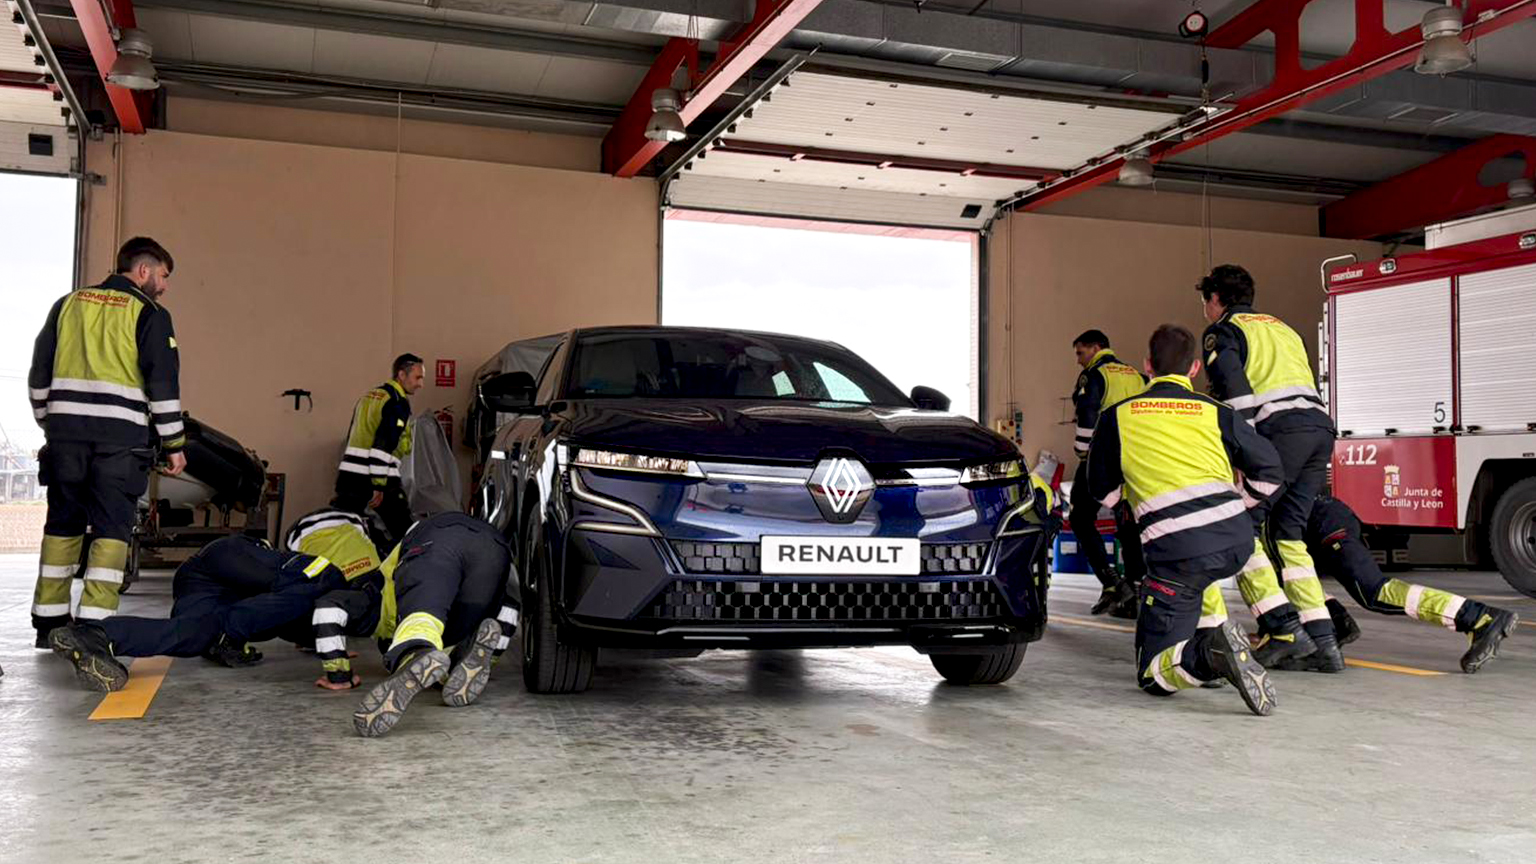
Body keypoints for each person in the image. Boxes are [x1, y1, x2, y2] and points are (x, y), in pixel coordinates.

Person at [1088, 324, 1283, 715]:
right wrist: (1238, 508)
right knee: (1200, 580)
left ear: (1147, 366)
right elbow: (1271, 473)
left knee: (1152, 674)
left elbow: (1103, 493)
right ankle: (1212, 638)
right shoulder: (1217, 412)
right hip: (1236, 542)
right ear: (1194, 368)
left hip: (1176, 555)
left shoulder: (1117, 417)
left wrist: (1137, 492)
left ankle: (1209, 656)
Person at [28, 238, 186, 644]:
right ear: (144, 271)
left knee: (62, 526)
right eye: (164, 276)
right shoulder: (149, 313)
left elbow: (39, 371)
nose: (165, 286)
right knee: (111, 530)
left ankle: (49, 623)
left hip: (66, 439)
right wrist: (174, 444)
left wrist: (50, 422)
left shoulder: (67, 304)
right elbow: (162, 384)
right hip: (119, 443)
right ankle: (94, 627)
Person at [1198, 264, 1355, 672]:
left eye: (1205, 302)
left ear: (1215, 300)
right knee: (1289, 533)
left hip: (1279, 434)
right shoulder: (1282, 327)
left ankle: (1281, 627)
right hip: (1318, 431)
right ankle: (1323, 642)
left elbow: (1237, 396)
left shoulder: (1225, 331)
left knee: (1239, 525)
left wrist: (1241, 455)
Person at [299, 512, 517, 737]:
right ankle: (457, 662)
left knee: (423, 615)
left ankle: (413, 650)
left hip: (438, 538)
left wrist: (338, 675)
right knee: (460, 629)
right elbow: (510, 608)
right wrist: (491, 659)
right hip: (495, 548)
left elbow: (327, 607)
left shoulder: (371, 595)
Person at [47, 535, 347, 691]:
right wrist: (332, 643)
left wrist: (317, 639)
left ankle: (95, 636)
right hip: (234, 557)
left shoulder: (288, 615)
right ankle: (229, 631)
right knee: (325, 578)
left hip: (198, 579)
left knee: (194, 634)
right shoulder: (292, 561)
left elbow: (289, 623)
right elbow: (306, 591)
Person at [1305, 495, 1518, 673]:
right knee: (1297, 579)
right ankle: (1337, 621)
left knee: (1376, 592)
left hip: (1325, 525)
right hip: (1329, 517)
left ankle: (1479, 617)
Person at [1068, 329, 1147, 617]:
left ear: (1096, 347)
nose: (1078, 361)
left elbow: (1088, 410)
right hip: (1134, 459)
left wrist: (1082, 450)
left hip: (1101, 458)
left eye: (1080, 352)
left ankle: (1111, 582)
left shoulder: (1095, 373)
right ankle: (1135, 594)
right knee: (1128, 523)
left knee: (1080, 517)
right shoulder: (1136, 375)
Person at [334, 354, 424, 544]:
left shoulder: (369, 397)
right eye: (418, 377)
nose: (420, 384)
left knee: (345, 528)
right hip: (377, 475)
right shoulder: (397, 402)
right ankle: (408, 570)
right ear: (401, 374)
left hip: (349, 477)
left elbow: (352, 435)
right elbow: (382, 446)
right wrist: (378, 485)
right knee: (405, 532)